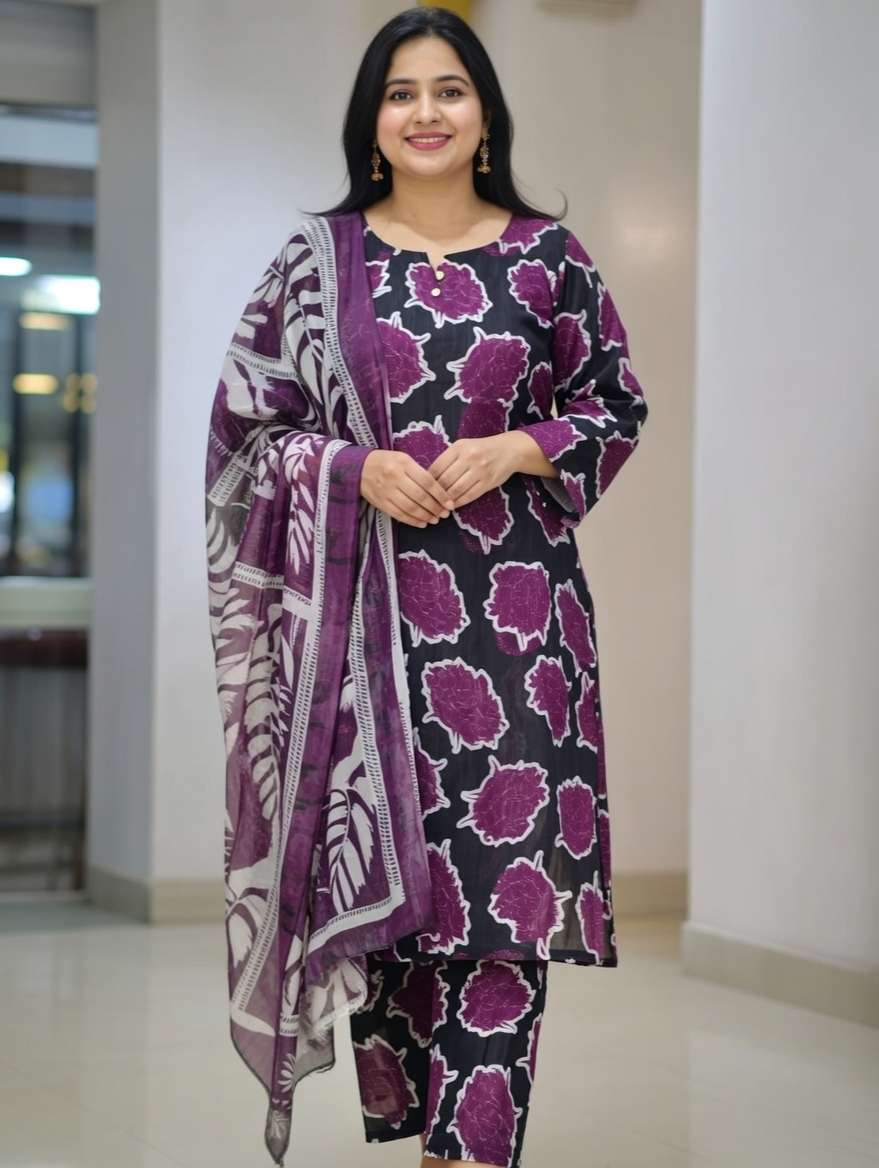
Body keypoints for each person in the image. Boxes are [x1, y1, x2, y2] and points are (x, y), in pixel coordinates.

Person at [206, 8, 647, 1167]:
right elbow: (248, 432)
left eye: (450, 89)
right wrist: (351, 468)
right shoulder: (317, 263)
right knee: (406, 914)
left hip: (522, 633)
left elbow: (615, 404)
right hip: (370, 641)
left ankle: (471, 1150)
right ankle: (434, 1135)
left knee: (507, 906)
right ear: (373, 123)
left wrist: (520, 446)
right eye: (401, 93)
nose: (427, 112)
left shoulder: (550, 258)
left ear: (485, 115)